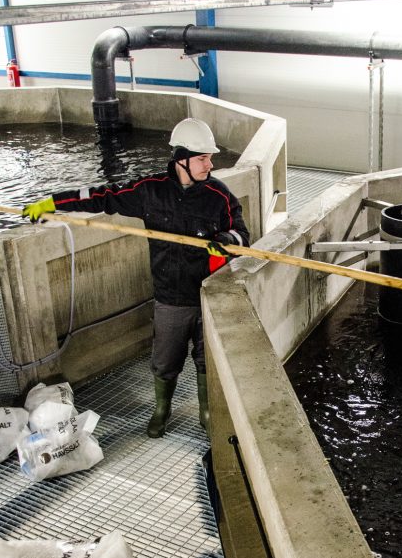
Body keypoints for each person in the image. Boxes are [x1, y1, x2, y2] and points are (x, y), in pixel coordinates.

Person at [22, 117, 250, 439]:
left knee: (206, 359)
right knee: (165, 359)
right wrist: (54, 203)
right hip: (170, 297)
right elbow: (101, 195)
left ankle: (207, 412)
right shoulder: (149, 191)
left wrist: (228, 241)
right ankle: (162, 409)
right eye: (202, 158)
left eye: (209, 158)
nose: (209, 164)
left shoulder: (219, 196)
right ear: (181, 158)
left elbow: (243, 235)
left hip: (208, 293)